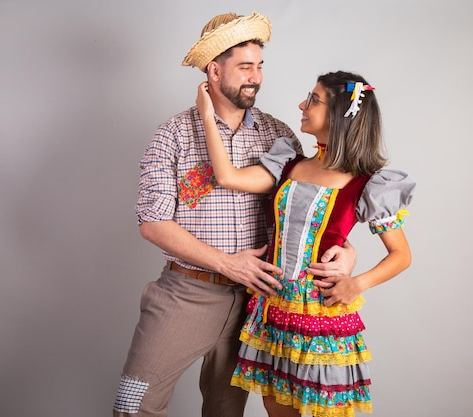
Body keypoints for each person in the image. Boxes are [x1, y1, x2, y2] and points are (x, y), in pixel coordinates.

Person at [113, 13, 357, 417]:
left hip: (260, 300)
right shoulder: (171, 135)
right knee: (133, 404)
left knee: (226, 412)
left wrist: (345, 250)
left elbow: (311, 207)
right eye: (245, 67)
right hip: (188, 293)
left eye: (260, 66)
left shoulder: (279, 136)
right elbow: (153, 223)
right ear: (214, 70)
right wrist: (229, 264)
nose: (256, 77)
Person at [195, 70, 416, 417]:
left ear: (341, 114)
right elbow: (228, 177)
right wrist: (208, 116)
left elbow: (401, 255)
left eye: (314, 99)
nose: (302, 104)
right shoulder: (289, 163)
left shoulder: (367, 183)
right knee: (278, 409)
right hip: (274, 307)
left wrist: (356, 283)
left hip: (321, 313)